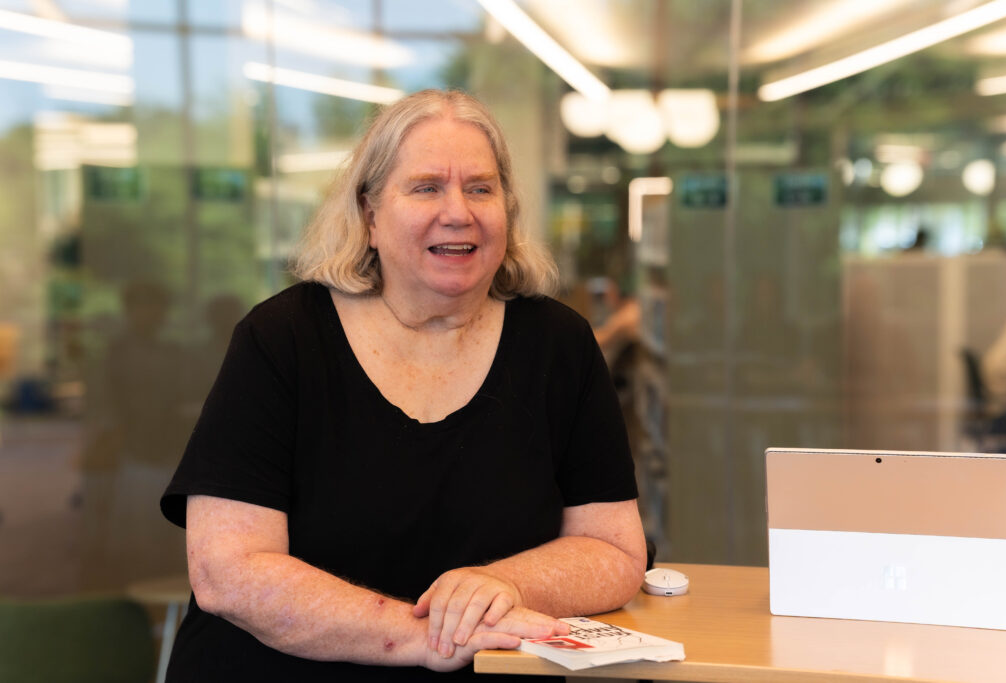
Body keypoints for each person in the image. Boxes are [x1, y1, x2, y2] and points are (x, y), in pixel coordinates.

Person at [159, 89, 646, 682]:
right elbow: (226, 571)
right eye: (426, 188)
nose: (458, 212)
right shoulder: (282, 339)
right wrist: (419, 638)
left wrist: (501, 585)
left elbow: (616, 551)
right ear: (368, 215)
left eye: (480, 188)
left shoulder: (559, 344)